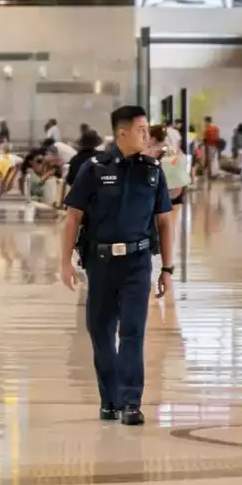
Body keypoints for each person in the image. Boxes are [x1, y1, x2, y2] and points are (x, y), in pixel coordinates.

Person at [59, 106, 174, 427]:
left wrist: (168, 269)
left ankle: (131, 402)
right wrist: (64, 262)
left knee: (133, 332)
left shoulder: (153, 171)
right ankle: (109, 400)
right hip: (101, 263)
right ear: (122, 132)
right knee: (101, 332)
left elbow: (164, 221)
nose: (147, 136)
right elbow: (73, 218)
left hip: (138, 264)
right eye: (141, 130)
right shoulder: (94, 169)